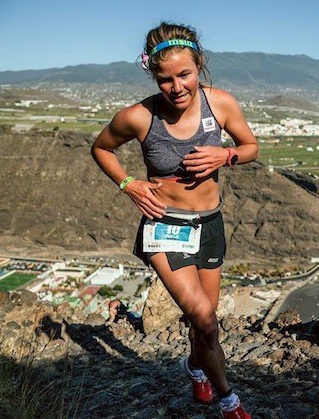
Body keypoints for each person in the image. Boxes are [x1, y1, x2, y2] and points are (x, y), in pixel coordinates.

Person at [91, 21, 258, 418]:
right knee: (202, 317)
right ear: (153, 75)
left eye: (185, 74)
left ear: (199, 64)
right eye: (165, 79)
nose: (177, 86)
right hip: (165, 225)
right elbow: (101, 149)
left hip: (210, 223)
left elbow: (251, 146)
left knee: (205, 323)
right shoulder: (138, 116)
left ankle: (195, 367)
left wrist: (226, 155)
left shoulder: (221, 104)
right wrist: (128, 183)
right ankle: (230, 401)